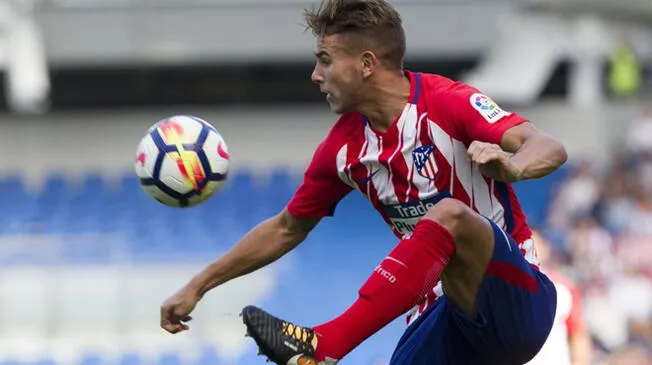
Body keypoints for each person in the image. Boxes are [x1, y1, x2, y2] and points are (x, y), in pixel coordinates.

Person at [159, 0, 568, 364]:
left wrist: (514, 167)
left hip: (517, 302)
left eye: (325, 60)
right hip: (442, 313)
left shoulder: (449, 103)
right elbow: (286, 228)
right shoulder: (342, 150)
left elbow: (546, 144)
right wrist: (199, 285)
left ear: (367, 63)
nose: (315, 75)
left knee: (451, 216)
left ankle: (323, 346)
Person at [526, 230, 593, 365]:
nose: (530, 249)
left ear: (546, 248)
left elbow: (578, 334)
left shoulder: (562, 288)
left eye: (534, 243)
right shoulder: (503, 287)